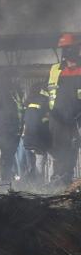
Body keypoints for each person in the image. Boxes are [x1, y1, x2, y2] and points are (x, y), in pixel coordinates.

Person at [46, 32, 81, 187]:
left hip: (76, 118)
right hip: (57, 117)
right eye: (64, 49)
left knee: (72, 148)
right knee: (57, 149)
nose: (66, 52)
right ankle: (57, 178)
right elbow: (49, 92)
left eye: (69, 48)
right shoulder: (55, 69)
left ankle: (66, 176)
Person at [0, 75, 23, 183]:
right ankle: (5, 177)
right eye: (15, 78)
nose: (18, 80)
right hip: (3, 128)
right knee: (7, 151)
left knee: (10, 152)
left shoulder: (16, 93)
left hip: (15, 128)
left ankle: (7, 176)